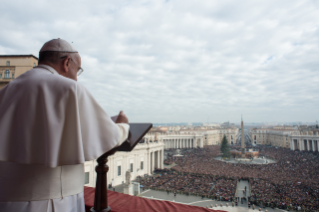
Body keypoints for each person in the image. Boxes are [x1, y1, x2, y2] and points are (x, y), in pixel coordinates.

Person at [0, 38, 130, 212]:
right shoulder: (71, 89)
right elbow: (108, 136)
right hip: (52, 202)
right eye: (78, 70)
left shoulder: (7, 90)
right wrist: (122, 126)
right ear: (67, 62)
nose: (76, 77)